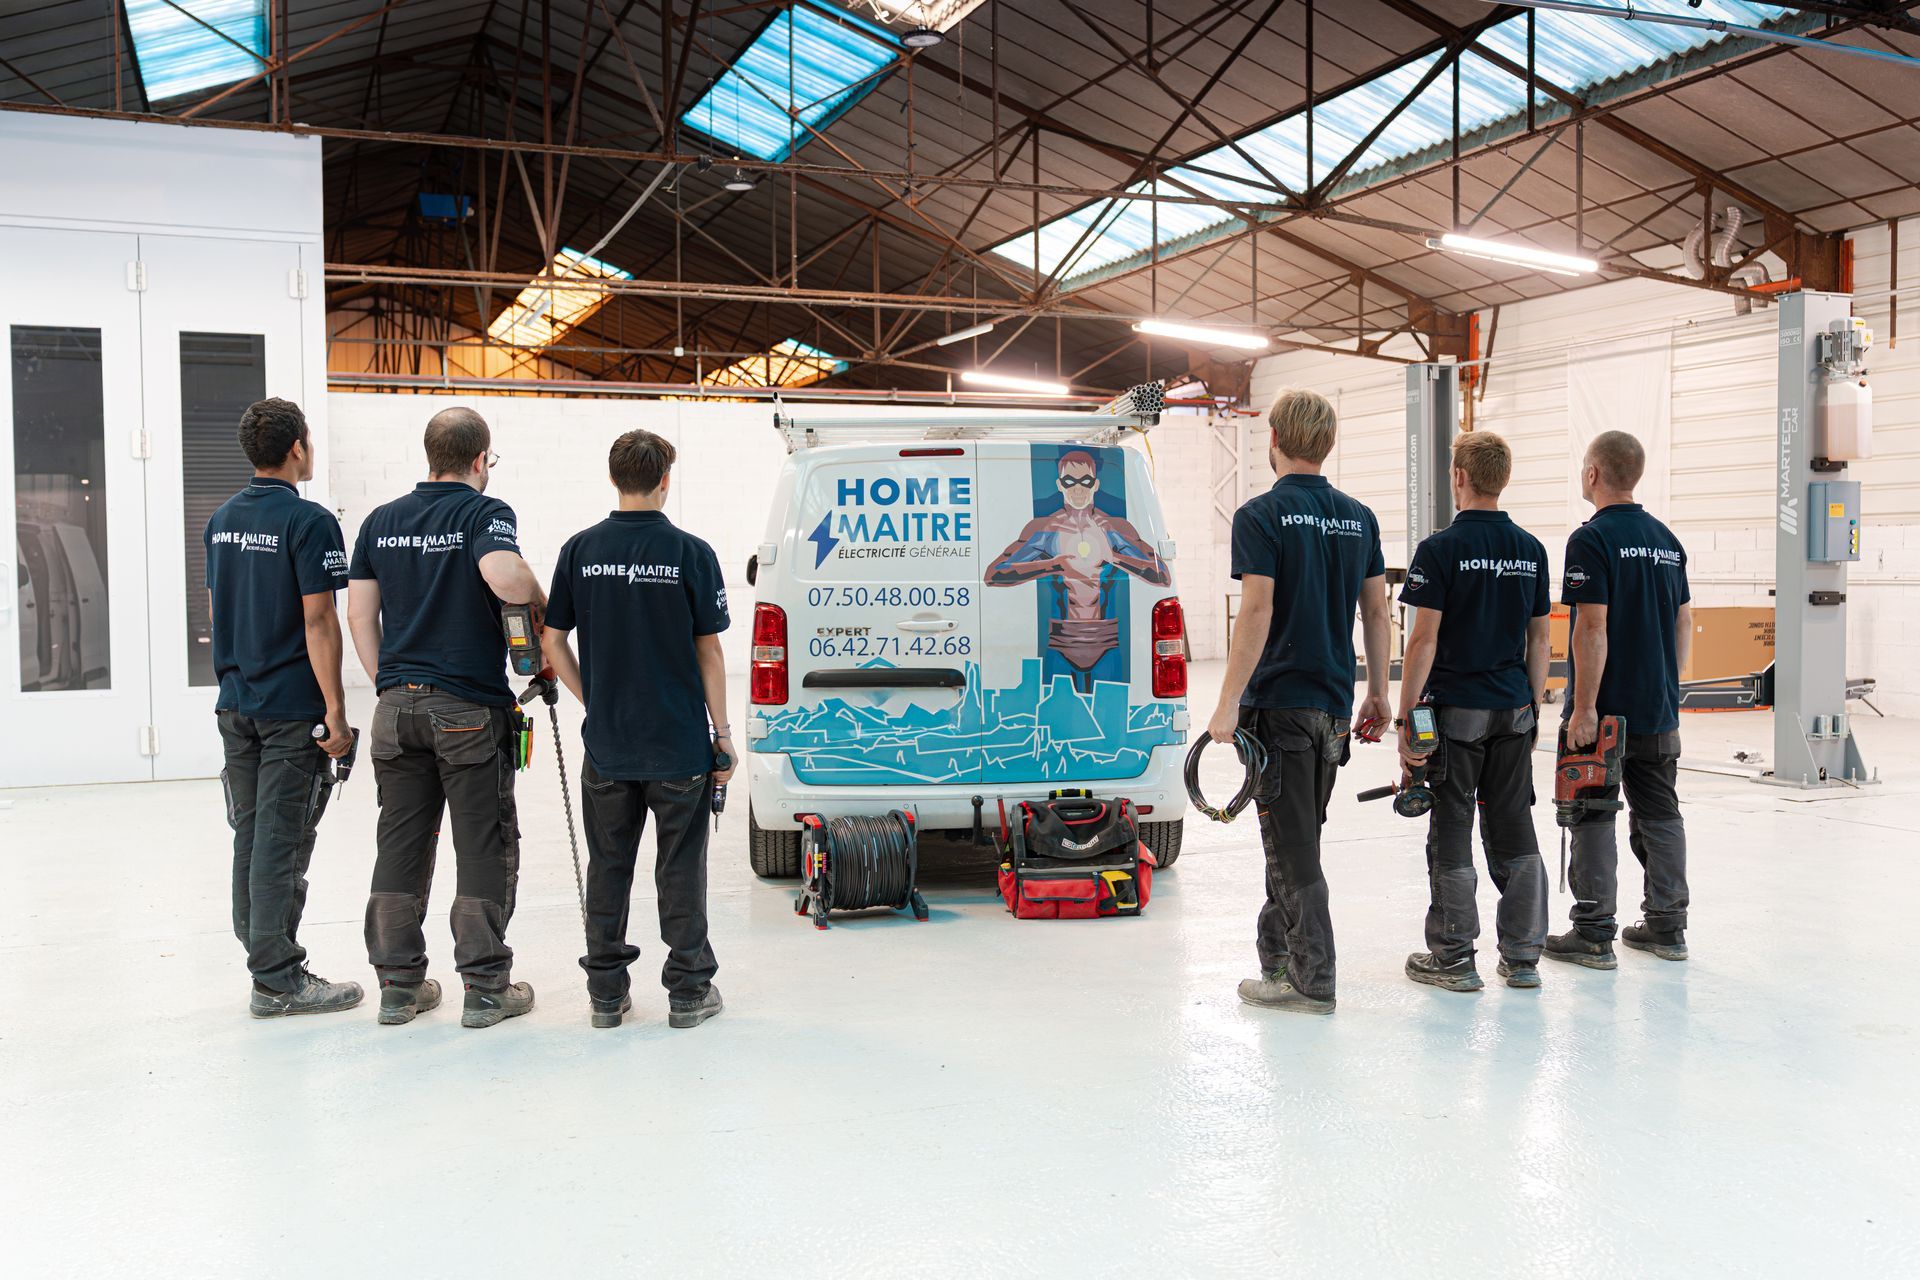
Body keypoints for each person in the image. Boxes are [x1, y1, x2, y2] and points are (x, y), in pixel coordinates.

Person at [346, 406, 546, 1028]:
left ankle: (399, 987)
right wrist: (543, 603)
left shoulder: (381, 522)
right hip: (467, 711)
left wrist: (392, 683)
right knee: (483, 843)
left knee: (401, 844)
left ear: (429, 454)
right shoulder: (485, 513)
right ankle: (486, 987)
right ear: (481, 459)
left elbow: (359, 615)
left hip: (395, 710)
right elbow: (505, 577)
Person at [1207, 388, 1391, 1015]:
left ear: (1275, 440)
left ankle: (1313, 979)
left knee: (1294, 850)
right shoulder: (1358, 517)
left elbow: (1257, 608)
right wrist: (1377, 691)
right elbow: (1375, 607)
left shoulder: (1260, 515)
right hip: (1332, 706)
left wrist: (1227, 700)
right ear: (1327, 444)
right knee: (1294, 838)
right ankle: (1277, 962)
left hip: (1279, 705)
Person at [542, 430, 732, 1030]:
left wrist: (593, 700)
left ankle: (605, 994)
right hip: (678, 747)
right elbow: (710, 654)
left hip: (609, 745)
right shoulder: (691, 553)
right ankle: (688, 992)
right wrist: (721, 733)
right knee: (680, 868)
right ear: (665, 480)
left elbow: (552, 640)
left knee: (609, 865)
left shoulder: (579, 550)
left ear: (613, 478)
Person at [206, 397, 362, 1018]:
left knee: (251, 831)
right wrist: (336, 710)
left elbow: (218, 610)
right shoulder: (309, 522)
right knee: (280, 837)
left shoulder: (220, 519)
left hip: (236, 701)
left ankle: (262, 949)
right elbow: (319, 619)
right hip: (289, 707)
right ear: (297, 447)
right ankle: (276, 978)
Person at [1396, 431, 1552, 993]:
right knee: (1515, 827)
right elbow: (1541, 642)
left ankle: (1455, 957)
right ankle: (1525, 955)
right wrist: (1531, 707)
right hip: (1514, 709)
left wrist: (1405, 716)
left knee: (1453, 828)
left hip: (1456, 716)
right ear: (1502, 478)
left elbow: (1423, 642)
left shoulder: (1439, 550)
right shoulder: (1531, 549)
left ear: (1458, 476)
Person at [1546, 430, 1693, 969]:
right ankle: (1666, 926)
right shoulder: (1666, 540)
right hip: (1658, 707)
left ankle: (1592, 933)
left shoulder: (1591, 540)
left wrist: (1584, 708)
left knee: (1592, 814)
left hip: (1605, 713)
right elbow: (1684, 621)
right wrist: (1669, 688)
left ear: (1593, 474)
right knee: (1661, 813)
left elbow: (1592, 627)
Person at [985, 449, 1170, 692]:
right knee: (1053, 720)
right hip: (1062, 641)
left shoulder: (1113, 528)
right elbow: (995, 574)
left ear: (1096, 485)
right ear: (1060, 485)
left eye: (1085, 481)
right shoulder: (1045, 529)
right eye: (1070, 482)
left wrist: (1114, 557)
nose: (1078, 489)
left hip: (1105, 640)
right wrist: (1052, 565)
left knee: (1109, 716)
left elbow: (1161, 575)